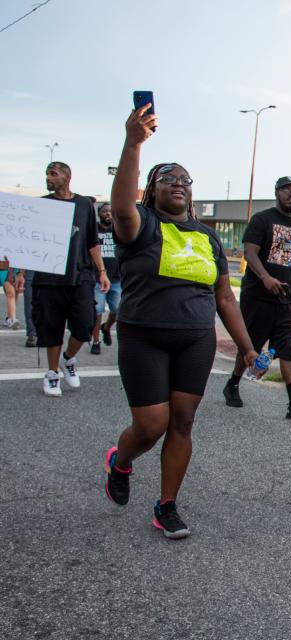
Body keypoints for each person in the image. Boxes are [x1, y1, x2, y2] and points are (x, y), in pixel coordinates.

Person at [103, 104, 259, 540]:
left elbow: (224, 296)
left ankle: (167, 504)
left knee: (183, 422)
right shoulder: (140, 224)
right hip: (144, 337)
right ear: (151, 191)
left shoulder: (208, 236)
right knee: (151, 425)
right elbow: (120, 206)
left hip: (195, 340)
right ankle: (121, 460)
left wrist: (247, 347)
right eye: (168, 178)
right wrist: (134, 142)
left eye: (185, 181)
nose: (179, 185)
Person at [222, 176, 291, 421]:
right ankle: (232, 384)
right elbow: (250, 254)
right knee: (250, 345)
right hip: (258, 296)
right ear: (277, 192)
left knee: (288, 346)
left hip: (288, 297)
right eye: (286, 189)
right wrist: (265, 277)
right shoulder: (262, 220)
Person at [32, 162, 111, 397]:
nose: (48, 178)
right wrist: (20, 273)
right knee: (51, 327)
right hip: (49, 278)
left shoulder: (84, 204)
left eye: (53, 174)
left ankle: (68, 359)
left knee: (86, 323)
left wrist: (102, 271)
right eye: (46, 174)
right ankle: (52, 373)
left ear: (67, 177)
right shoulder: (42, 204)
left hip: (81, 276)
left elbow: (92, 242)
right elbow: (30, 242)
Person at [90, 203, 122, 355]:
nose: (108, 214)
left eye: (110, 211)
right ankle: (96, 341)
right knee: (97, 310)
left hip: (116, 279)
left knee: (117, 309)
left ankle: (107, 328)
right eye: (104, 211)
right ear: (99, 214)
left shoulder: (118, 230)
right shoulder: (94, 229)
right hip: (97, 278)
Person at [1, 260, 21, 329]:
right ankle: (11, 318)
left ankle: (12, 318)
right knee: (10, 292)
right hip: (3, 264)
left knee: (12, 292)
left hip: (11, 265)